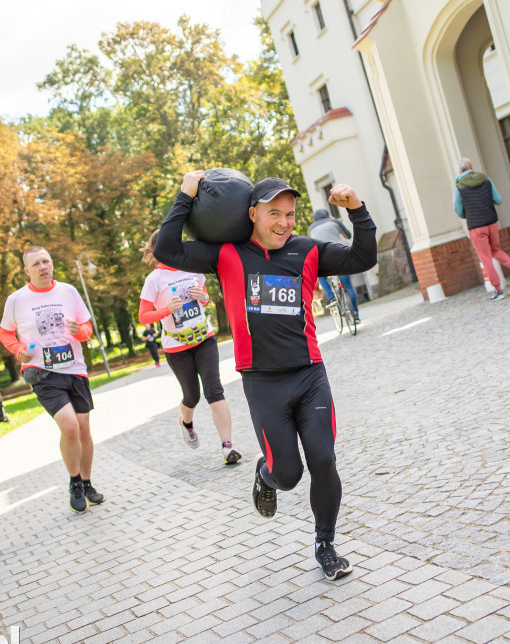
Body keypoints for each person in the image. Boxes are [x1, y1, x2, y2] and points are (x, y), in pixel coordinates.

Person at [155, 173, 378, 580]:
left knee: (324, 460)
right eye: (274, 213)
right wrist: (186, 193)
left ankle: (325, 543)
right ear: (252, 214)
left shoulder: (308, 251)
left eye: (290, 214)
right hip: (262, 382)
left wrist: (357, 209)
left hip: (310, 375)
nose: (284, 223)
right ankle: (265, 474)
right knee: (288, 474)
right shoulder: (225, 255)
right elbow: (166, 248)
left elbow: (363, 258)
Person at [0, 245, 105, 513]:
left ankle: (88, 483)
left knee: (83, 429)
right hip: (43, 373)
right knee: (69, 427)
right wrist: (18, 350)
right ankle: (75, 483)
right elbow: (5, 333)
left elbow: (87, 328)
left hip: (74, 368)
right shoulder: (16, 300)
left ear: (52, 263)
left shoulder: (68, 291)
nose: (43, 267)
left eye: (46, 261)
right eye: (36, 264)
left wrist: (79, 331)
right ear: (27, 270)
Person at [139, 230, 242, 466]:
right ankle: (186, 422)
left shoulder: (193, 268)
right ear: (160, 249)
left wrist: (202, 296)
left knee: (214, 391)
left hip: (204, 338)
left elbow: (204, 297)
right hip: (177, 347)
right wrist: (165, 309)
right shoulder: (154, 280)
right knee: (192, 396)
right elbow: (144, 317)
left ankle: (228, 447)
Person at [453, 158, 510, 302]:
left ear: (459, 171)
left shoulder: (458, 187)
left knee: (486, 258)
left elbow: (458, 210)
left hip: (476, 226)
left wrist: (467, 214)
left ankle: (498, 290)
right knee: (495, 250)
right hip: (492, 222)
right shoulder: (486, 180)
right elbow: (498, 200)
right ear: (472, 167)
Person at [307, 209, 360, 322]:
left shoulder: (311, 228)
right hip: (340, 255)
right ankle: (355, 314)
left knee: (320, 274)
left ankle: (331, 297)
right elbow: (348, 236)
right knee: (347, 286)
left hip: (323, 259)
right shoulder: (334, 222)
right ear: (327, 215)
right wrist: (335, 221)